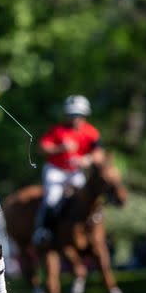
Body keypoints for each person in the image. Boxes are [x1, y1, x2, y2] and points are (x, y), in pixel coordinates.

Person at [33, 94, 103, 246]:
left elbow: (99, 154)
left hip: (75, 172)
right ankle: (44, 230)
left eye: (78, 115)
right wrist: (60, 148)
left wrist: (86, 160)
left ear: (84, 115)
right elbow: (42, 148)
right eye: (72, 114)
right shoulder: (57, 130)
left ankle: (92, 229)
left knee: (88, 198)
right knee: (52, 199)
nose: (75, 118)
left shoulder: (91, 132)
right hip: (56, 171)